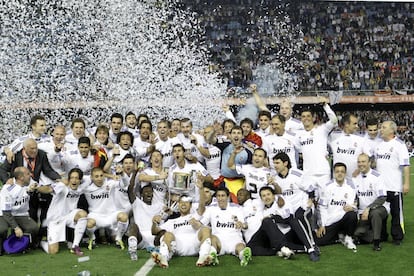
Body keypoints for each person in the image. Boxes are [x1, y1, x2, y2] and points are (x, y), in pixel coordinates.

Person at [0, 138, 61, 229]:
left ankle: (33, 238)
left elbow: (48, 170)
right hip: (17, 186)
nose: (35, 151)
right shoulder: (16, 155)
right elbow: (2, 169)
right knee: (15, 210)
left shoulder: (41, 154)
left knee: (33, 213)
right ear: (24, 148)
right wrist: (6, 180)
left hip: (32, 185)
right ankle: (15, 234)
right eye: (31, 149)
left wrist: (58, 178)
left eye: (36, 148)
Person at [246, 186, 320, 261]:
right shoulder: (262, 209)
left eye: (268, 194)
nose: (266, 197)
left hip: (288, 233)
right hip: (275, 238)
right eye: (264, 196)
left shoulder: (282, 202)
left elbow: (289, 218)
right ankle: (281, 250)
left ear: (274, 195)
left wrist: (273, 217)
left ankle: (310, 249)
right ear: (261, 198)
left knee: (293, 221)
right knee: (250, 247)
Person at [151, 195, 215, 268]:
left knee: (205, 229)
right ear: (178, 205)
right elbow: (154, 232)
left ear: (191, 205)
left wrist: (200, 189)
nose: (183, 204)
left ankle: (204, 256)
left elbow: (202, 207)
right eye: (181, 202)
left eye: (186, 202)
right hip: (178, 247)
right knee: (167, 234)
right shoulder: (171, 221)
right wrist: (154, 223)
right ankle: (163, 258)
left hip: (195, 245)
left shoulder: (196, 216)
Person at [374, 120, 410, 245]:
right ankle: (382, 235)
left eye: (383, 127)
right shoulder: (378, 145)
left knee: (396, 213)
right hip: (380, 188)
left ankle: (397, 237)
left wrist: (406, 183)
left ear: (391, 130)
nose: (380, 129)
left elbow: (405, 166)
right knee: (381, 213)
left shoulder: (399, 145)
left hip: (394, 186)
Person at [272, 152, 316, 252]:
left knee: (300, 215)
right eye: (274, 163)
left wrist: (311, 200)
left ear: (285, 163)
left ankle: (312, 244)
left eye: (277, 163)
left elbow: (311, 187)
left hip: (303, 205)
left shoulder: (297, 174)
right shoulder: (275, 179)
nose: (275, 166)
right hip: (288, 210)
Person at [37, 168, 87, 256]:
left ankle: (75, 246)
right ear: (68, 179)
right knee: (53, 251)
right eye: (72, 178)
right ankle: (43, 242)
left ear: (80, 180)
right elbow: (48, 189)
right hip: (55, 218)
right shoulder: (62, 186)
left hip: (70, 216)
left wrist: (114, 176)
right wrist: (37, 187)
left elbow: (96, 174)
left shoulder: (82, 187)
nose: (74, 180)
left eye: (76, 178)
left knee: (82, 214)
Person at [199, 187, 252, 267]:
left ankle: (243, 257)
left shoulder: (237, 208)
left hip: (234, 239)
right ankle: (212, 255)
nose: (220, 198)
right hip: (219, 240)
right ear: (216, 197)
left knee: (240, 246)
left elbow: (245, 225)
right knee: (212, 238)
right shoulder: (211, 209)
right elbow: (202, 223)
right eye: (218, 196)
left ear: (228, 197)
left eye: (223, 196)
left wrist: (242, 224)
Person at [297, 98, 338, 196]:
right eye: (303, 116)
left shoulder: (321, 130)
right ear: (301, 119)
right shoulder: (299, 135)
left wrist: (325, 106)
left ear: (313, 118)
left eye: (308, 116)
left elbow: (334, 120)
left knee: (325, 200)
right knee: (309, 203)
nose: (306, 118)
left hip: (322, 172)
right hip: (308, 174)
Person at [83, 167, 129, 250]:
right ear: (92, 178)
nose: (99, 178)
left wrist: (122, 174)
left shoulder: (110, 184)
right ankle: (92, 238)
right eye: (96, 176)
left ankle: (119, 239)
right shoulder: (87, 189)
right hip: (96, 216)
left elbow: (125, 184)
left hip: (111, 215)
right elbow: (80, 180)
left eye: (101, 176)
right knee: (88, 223)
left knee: (124, 216)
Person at [315, 163, 358, 250]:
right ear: (334, 173)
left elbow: (353, 205)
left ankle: (348, 238)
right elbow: (322, 207)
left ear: (345, 173)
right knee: (319, 242)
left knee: (352, 215)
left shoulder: (351, 187)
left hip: (343, 218)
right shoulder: (327, 187)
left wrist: (352, 207)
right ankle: (338, 237)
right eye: (337, 171)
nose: (340, 174)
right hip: (331, 221)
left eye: (342, 171)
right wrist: (322, 225)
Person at [352, 153, 388, 251]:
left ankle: (377, 242)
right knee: (357, 233)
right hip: (361, 212)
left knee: (375, 213)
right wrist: (354, 205)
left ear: (369, 163)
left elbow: (382, 197)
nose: (360, 164)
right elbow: (355, 197)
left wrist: (369, 208)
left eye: (363, 161)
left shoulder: (377, 176)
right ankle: (380, 235)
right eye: (359, 162)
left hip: (378, 208)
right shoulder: (355, 178)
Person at [0, 167, 39, 254]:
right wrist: (16, 227)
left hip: (21, 214)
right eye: (28, 174)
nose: (30, 176)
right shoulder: (7, 189)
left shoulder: (29, 183)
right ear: (21, 177)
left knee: (33, 227)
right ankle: (2, 246)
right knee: (2, 229)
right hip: (4, 214)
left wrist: (31, 190)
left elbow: (31, 188)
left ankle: (20, 245)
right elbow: (6, 213)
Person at [127, 183, 164, 261]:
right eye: (146, 192)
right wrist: (135, 172)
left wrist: (167, 212)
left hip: (155, 239)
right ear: (141, 194)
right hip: (141, 239)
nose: (149, 193)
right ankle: (133, 251)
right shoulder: (137, 203)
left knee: (163, 231)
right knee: (133, 226)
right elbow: (130, 189)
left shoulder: (159, 205)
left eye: (150, 192)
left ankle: (164, 251)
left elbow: (168, 213)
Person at [329, 113, 369, 179]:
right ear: (347, 124)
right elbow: (332, 121)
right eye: (354, 124)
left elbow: (369, 158)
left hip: (355, 180)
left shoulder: (361, 140)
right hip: (338, 181)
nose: (357, 126)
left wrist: (359, 169)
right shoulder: (334, 137)